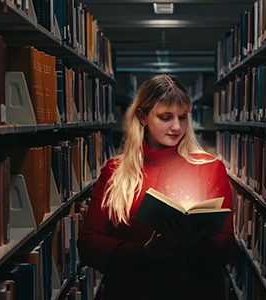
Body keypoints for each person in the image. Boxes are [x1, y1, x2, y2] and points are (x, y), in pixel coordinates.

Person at [77, 74, 237, 300]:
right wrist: (144, 251)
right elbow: (88, 243)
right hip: (132, 291)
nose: (177, 126)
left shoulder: (210, 168)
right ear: (142, 117)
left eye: (183, 117)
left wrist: (193, 246)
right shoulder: (114, 171)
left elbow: (227, 245)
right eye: (165, 117)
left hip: (192, 290)